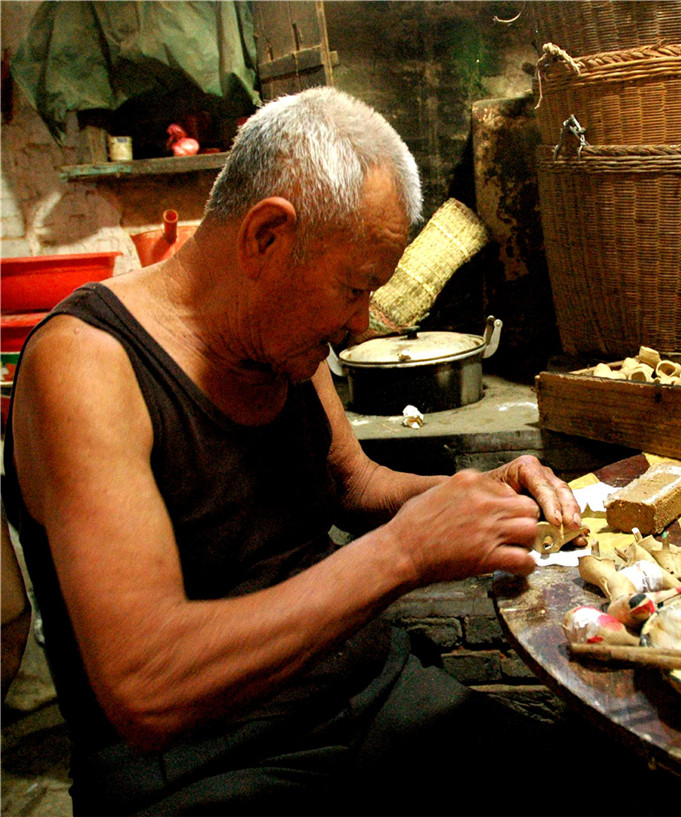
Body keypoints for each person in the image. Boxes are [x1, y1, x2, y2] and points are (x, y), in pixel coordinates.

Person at [3, 86, 604, 816]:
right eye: (354, 290)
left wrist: (472, 497)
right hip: (203, 769)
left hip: (367, 696)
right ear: (266, 236)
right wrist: (405, 553)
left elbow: (354, 482)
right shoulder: (88, 366)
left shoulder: (284, 339)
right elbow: (147, 686)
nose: (361, 326)